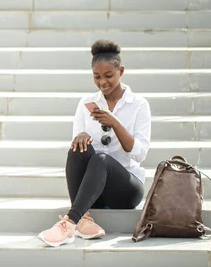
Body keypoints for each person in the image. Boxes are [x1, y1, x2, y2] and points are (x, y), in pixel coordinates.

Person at [38, 39, 152, 247]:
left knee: (102, 159)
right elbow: (80, 151)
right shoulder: (85, 103)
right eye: (97, 77)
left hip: (126, 189)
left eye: (109, 76)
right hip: (94, 190)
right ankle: (82, 218)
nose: (103, 82)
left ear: (121, 71)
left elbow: (139, 154)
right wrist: (80, 135)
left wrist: (115, 124)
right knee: (77, 149)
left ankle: (70, 222)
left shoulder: (139, 105)